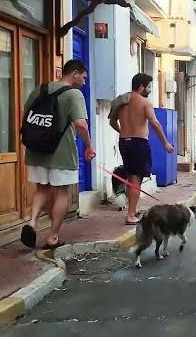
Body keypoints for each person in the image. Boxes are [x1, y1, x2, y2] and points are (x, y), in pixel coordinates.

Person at [20, 59, 96, 250]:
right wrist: (88, 145)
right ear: (75, 74)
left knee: (42, 188)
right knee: (61, 193)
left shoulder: (40, 89)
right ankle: (52, 237)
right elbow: (80, 124)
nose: (84, 83)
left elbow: (26, 114)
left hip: (36, 150)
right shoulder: (74, 94)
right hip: (60, 153)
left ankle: (33, 222)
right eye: (84, 78)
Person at [109, 73, 174, 225]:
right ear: (141, 87)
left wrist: (122, 132)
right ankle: (131, 215)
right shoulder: (145, 102)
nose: (150, 90)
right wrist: (165, 143)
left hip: (124, 142)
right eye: (149, 87)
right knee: (136, 179)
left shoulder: (121, 101)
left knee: (131, 176)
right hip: (138, 143)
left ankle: (132, 209)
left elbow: (112, 122)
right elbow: (154, 122)